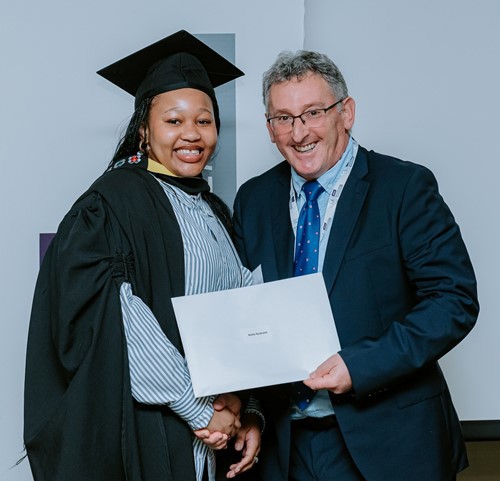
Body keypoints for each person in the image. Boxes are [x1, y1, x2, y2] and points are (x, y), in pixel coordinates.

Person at [24, 30, 262, 481]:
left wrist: (246, 406)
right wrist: (198, 408)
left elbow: (241, 313)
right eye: (174, 120)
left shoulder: (214, 210)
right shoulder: (114, 202)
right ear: (144, 131)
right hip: (152, 433)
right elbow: (120, 321)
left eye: (204, 120)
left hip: (213, 444)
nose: (191, 134)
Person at [232, 49, 479, 481]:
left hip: (391, 442)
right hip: (285, 448)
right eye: (284, 118)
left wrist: (359, 366)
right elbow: (249, 315)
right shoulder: (253, 200)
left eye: (313, 112)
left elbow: (453, 301)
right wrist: (252, 410)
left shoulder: (403, 187)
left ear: (346, 113)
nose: (299, 132)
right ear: (270, 129)